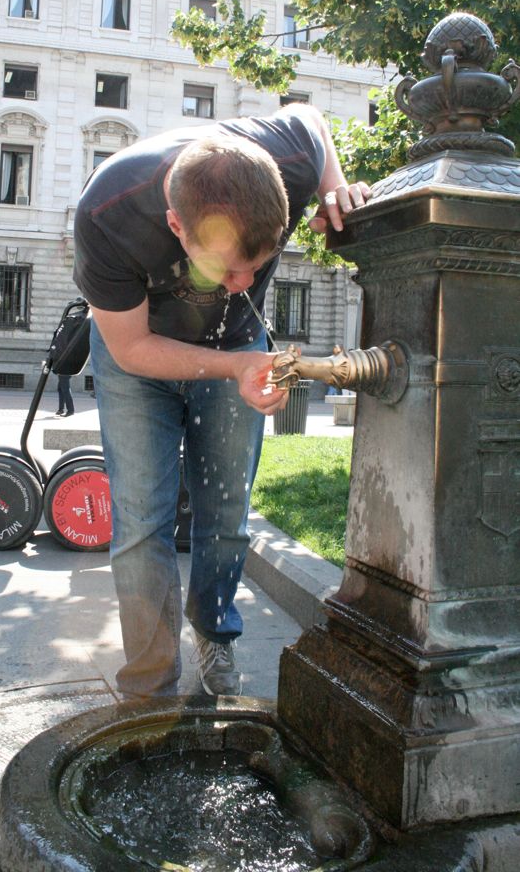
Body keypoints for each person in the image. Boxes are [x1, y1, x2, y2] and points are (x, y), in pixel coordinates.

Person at [74, 102, 370, 699]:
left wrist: (334, 190)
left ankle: (214, 631)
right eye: (227, 269)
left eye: (256, 266)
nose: (242, 285)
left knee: (227, 510)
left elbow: (312, 120)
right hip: (138, 354)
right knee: (141, 523)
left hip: (237, 344)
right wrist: (236, 366)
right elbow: (131, 349)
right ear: (176, 225)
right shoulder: (108, 212)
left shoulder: (290, 155)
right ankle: (151, 684)